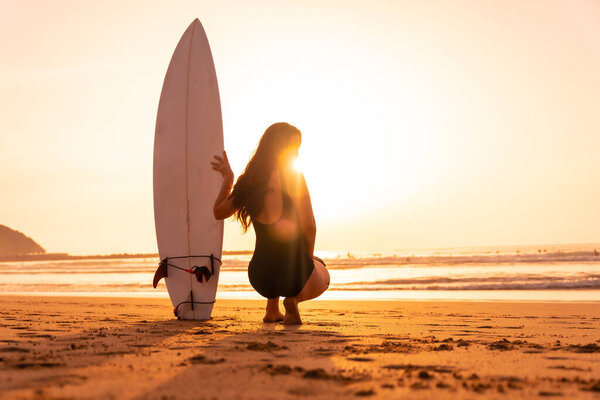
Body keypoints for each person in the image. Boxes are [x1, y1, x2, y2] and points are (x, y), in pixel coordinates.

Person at [211, 122, 330, 325]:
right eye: (294, 148)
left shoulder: (249, 181)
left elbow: (218, 212)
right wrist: (307, 262)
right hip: (293, 273)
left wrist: (228, 179)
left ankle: (271, 309)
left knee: (273, 252)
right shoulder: (294, 177)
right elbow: (310, 226)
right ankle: (293, 299)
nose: (297, 155)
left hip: (259, 275)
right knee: (323, 272)